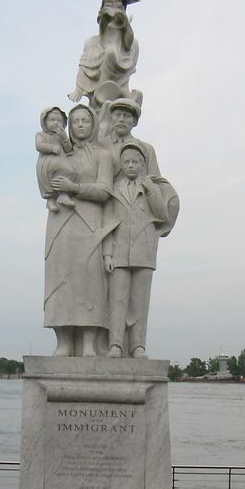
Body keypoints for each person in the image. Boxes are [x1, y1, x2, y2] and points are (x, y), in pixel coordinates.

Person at [44, 104, 115, 357]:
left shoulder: (102, 155)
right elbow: (46, 177)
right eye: (75, 122)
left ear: (93, 124)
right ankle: (63, 341)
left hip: (90, 222)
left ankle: (88, 343)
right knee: (61, 279)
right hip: (61, 222)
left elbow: (105, 190)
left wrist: (74, 187)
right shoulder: (62, 154)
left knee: (90, 280)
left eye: (85, 121)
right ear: (69, 127)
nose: (80, 126)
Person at [103, 144, 179, 358]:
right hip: (119, 252)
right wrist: (107, 254)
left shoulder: (150, 187)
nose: (130, 166)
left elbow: (162, 215)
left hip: (144, 250)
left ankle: (138, 345)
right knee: (117, 300)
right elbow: (108, 224)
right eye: (126, 162)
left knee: (140, 303)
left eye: (135, 162)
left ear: (143, 165)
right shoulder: (114, 188)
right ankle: (115, 344)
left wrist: (152, 190)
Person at [100, 97, 160, 177]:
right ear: (111, 118)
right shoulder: (99, 145)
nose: (121, 119)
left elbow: (156, 182)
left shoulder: (147, 150)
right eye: (118, 115)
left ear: (135, 122)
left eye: (126, 116)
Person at [35, 107, 75, 211]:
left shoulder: (61, 136)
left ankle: (63, 195)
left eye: (59, 121)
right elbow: (39, 146)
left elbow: (69, 149)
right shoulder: (41, 135)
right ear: (45, 122)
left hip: (62, 162)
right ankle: (50, 200)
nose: (56, 123)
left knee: (69, 172)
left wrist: (64, 138)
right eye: (52, 120)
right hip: (47, 162)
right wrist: (51, 148)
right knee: (47, 180)